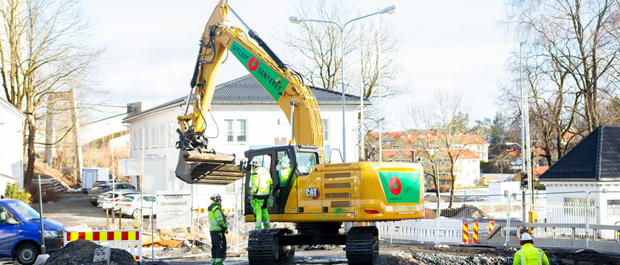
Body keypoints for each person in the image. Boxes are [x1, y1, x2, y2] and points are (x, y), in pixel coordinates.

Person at [249, 157, 272, 230]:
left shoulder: (255, 173)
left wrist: (251, 194)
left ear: (254, 166)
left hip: (258, 196)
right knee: (265, 210)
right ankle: (267, 227)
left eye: (252, 166)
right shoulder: (266, 172)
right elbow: (271, 182)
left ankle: (258, 227)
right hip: (266, 195)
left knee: (258, 211)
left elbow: (255, 185)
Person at [208, 194, 228, 265]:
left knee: (214, 246)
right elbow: (219, 220)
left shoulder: (210, 208)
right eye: (220, 200)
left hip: (212, 231)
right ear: (217, 200)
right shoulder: (216, 209)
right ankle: (218, 261)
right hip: (218, 231)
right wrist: (224, 227)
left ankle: (213, 260)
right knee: (221, 246)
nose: (221, 202)